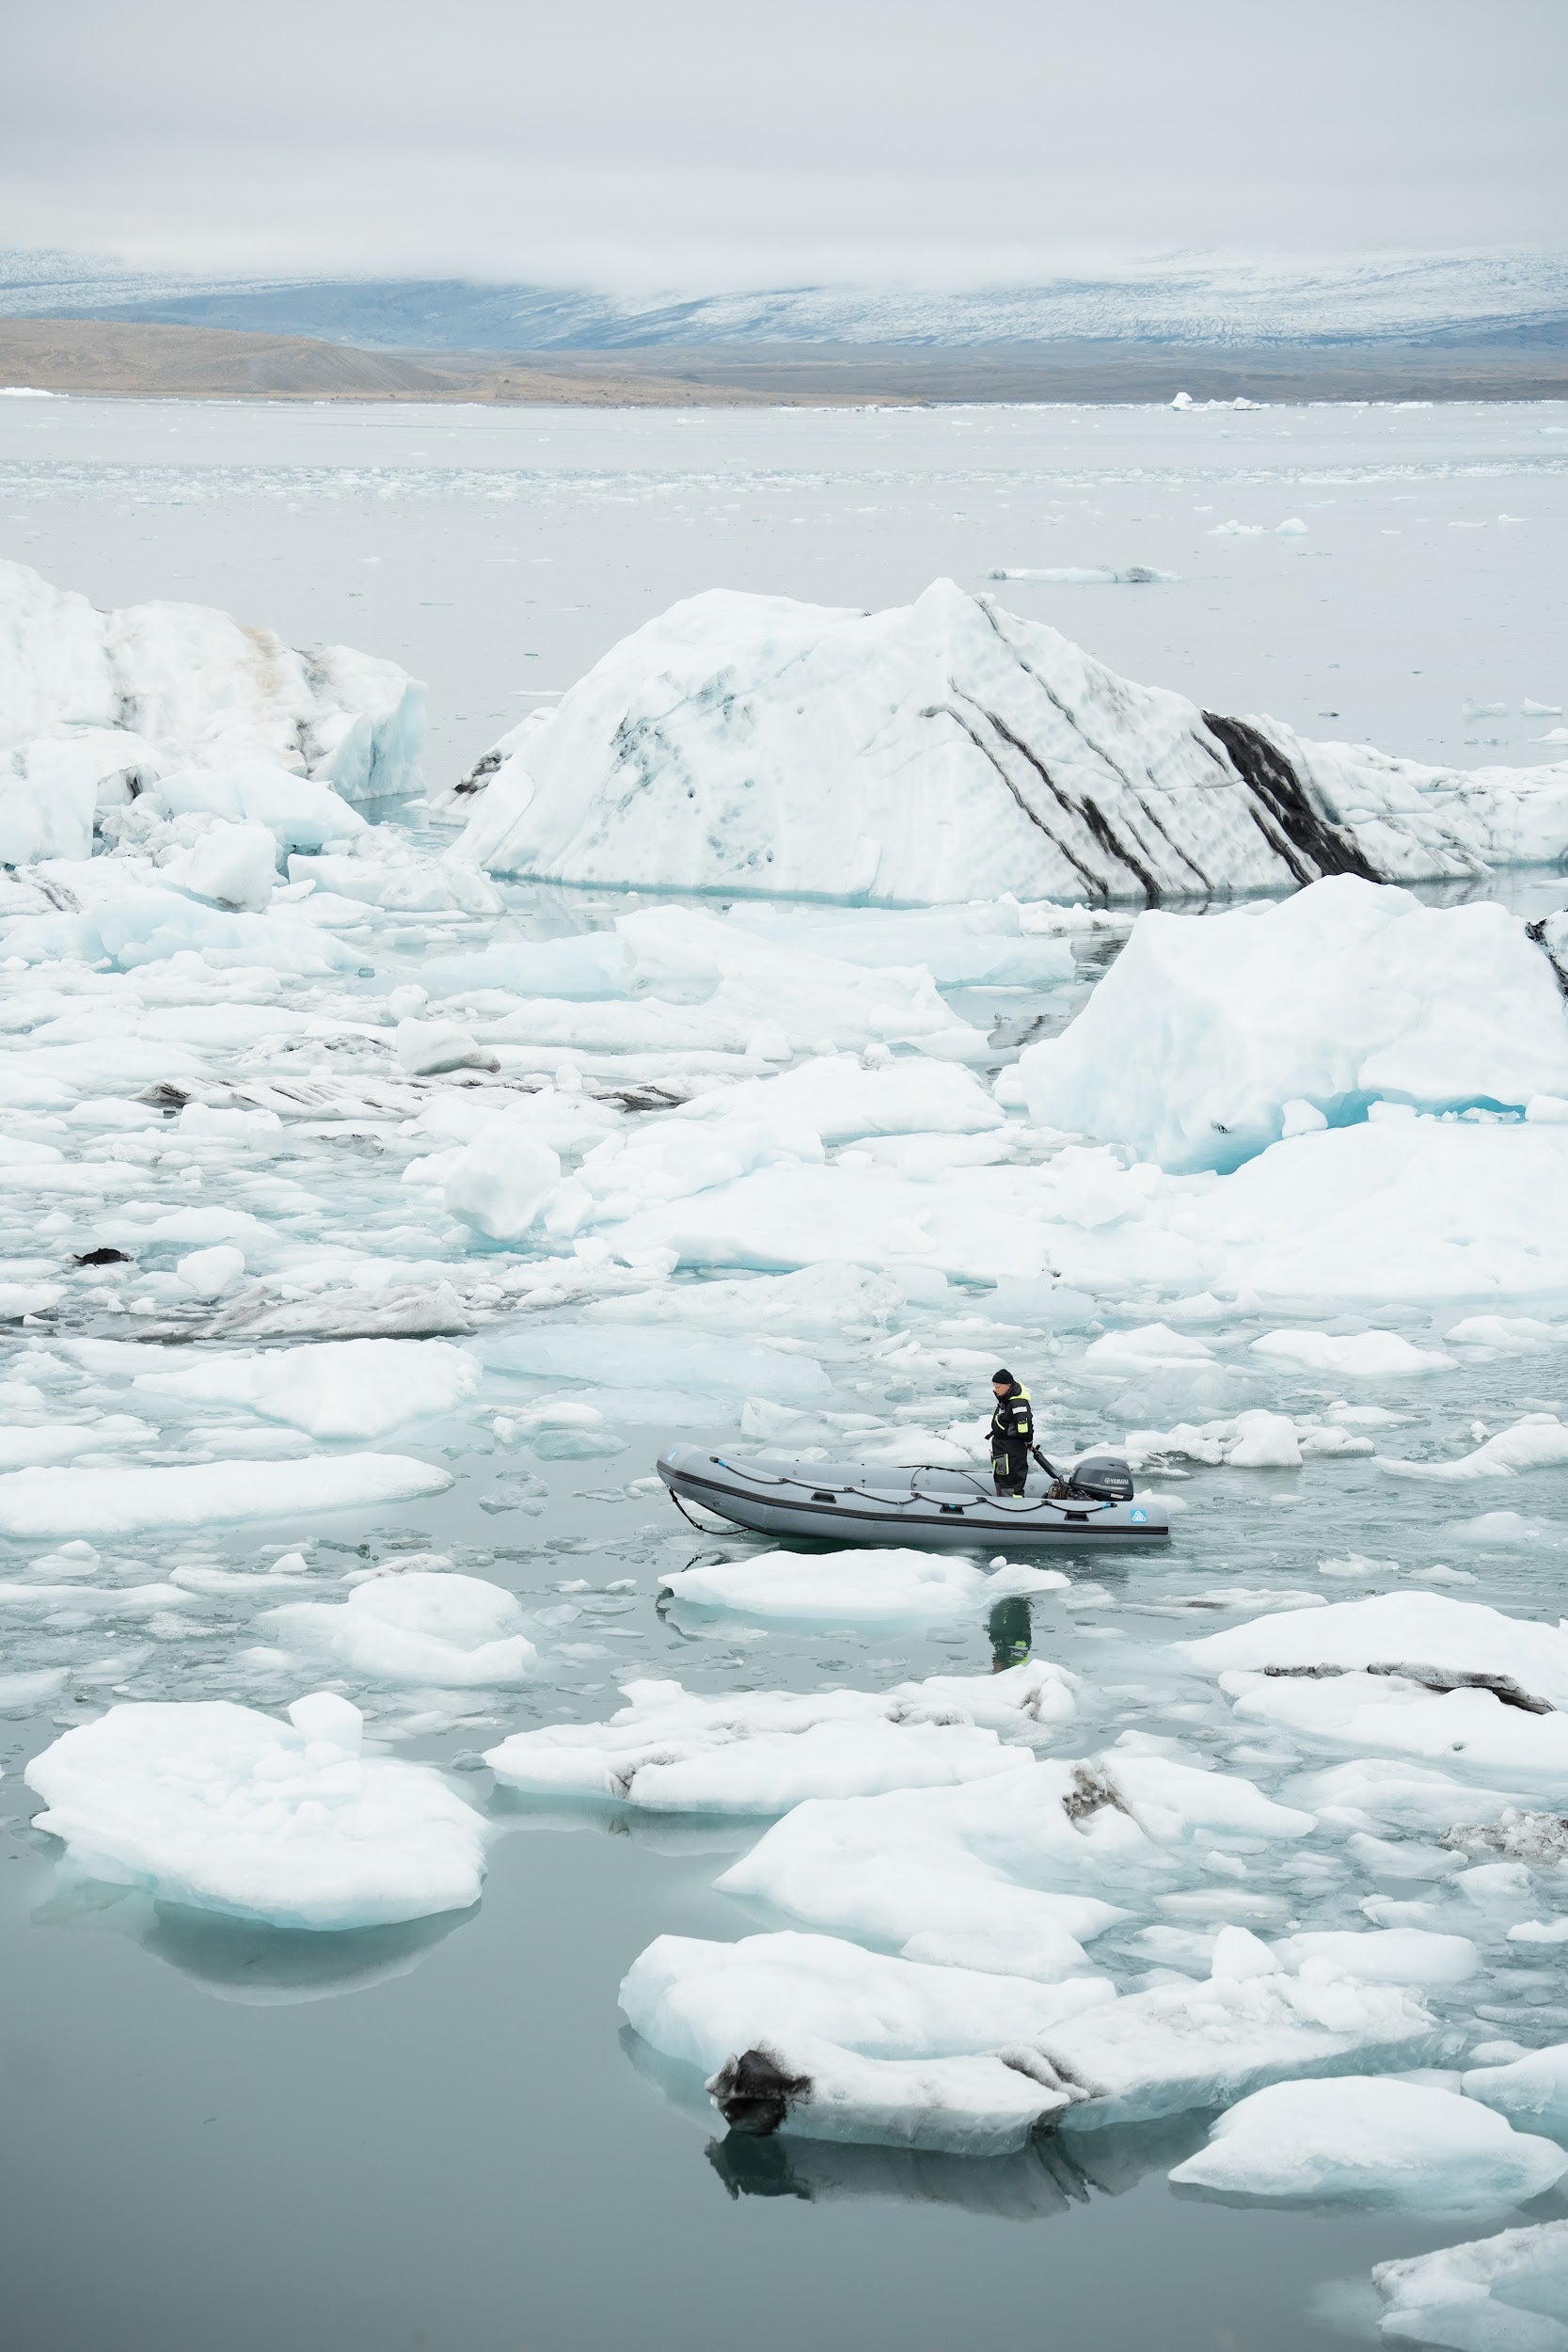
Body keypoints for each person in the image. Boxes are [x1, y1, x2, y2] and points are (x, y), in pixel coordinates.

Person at [989, 1368, 1034, 1495]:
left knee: (1011, 1481)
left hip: (1012, 1450)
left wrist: (1029, 1442)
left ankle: (1014, 1508)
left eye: (998, 1387)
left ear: (1008, 1385)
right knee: (1001, 1477)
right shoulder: (1006, 1400)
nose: (995, 1390)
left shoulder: (1018, 1403)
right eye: (994, 1387)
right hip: (1001, 1449)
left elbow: (1024, 1428)